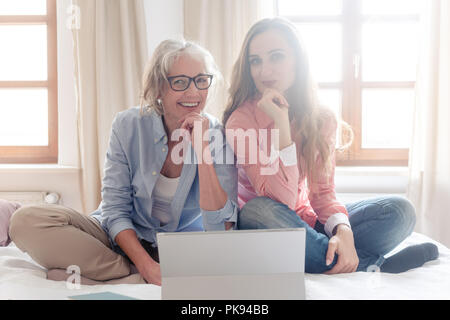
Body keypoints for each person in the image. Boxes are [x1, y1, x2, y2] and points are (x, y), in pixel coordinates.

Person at [9, 39, 238, 286]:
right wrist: (146, 266)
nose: (193, 92)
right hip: (120, 240)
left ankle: (100, 275)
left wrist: (202, 150)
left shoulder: (218, 135)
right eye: (180, 82)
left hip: (180, 249)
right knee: (24, 221)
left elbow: (219, 228)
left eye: (201, 80)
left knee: (224, 263)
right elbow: (115, 210)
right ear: (159, 88)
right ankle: (133, 274)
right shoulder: (128, 125)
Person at [224, 17, 439, 274]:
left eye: (276, 57)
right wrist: (281, 123)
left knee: (400, 211)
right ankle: (374, 263)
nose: (264, 70)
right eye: (255, 60)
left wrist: (343, 230)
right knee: (257, 209)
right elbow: (280, 198)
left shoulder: (321, 118)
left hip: (306, 223)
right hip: (266, 225)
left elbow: (322, 192)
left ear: (298, 61)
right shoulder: (240, 121)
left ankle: (330, 253)